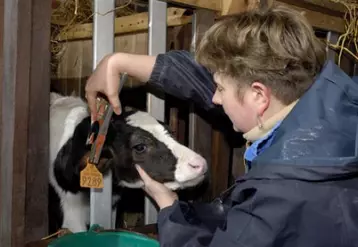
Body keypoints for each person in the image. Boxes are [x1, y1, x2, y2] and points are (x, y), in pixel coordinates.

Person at [85, 4, 358, 247]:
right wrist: (117, 62)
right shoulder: (335, 97)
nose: (214, 98)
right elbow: (205, 80)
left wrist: (169, 208)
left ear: (259, 95)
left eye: (220, 89)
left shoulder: (279, 198)